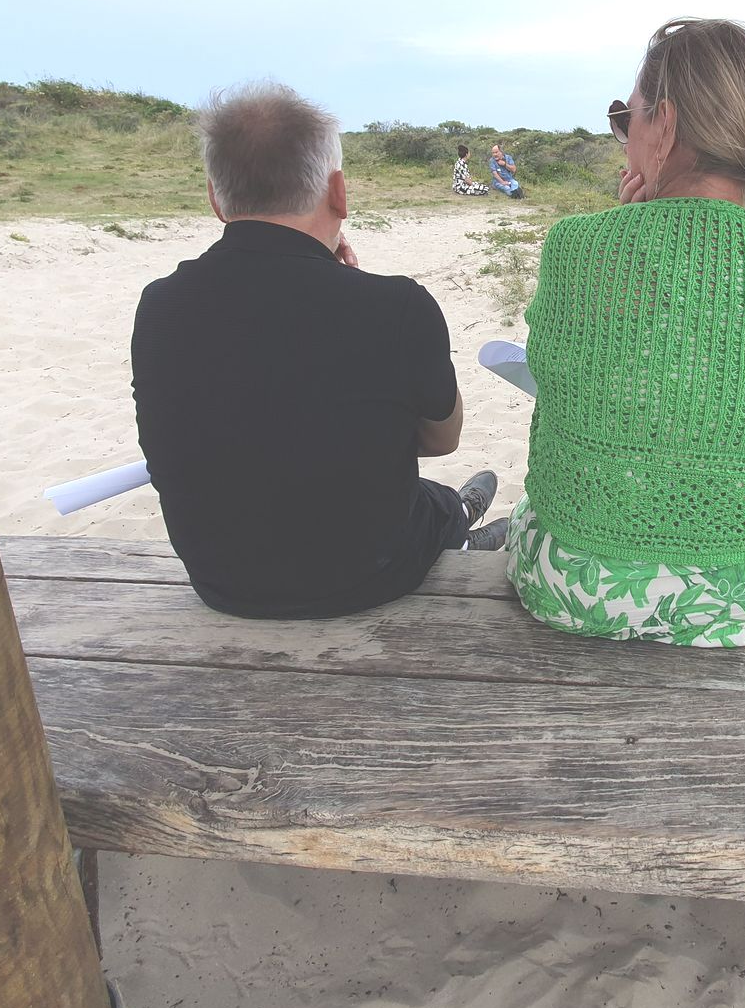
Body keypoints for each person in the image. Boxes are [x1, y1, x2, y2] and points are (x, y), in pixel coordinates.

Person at [508, 18, 745, 646]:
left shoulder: (578, 247)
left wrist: (622, 235)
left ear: (664, 122)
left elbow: (570, 388)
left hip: (580, 586)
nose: (624, 137)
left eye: (625, 118)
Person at [132, 82, 506, 621]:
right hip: (367, 576)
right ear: (339, 192)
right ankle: (458, 528)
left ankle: (454, 515)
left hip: (220, 580)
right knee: (430, 496)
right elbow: (441, 440)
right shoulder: (397, 305)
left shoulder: (159, 306)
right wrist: (372, 320)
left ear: (216, 198)